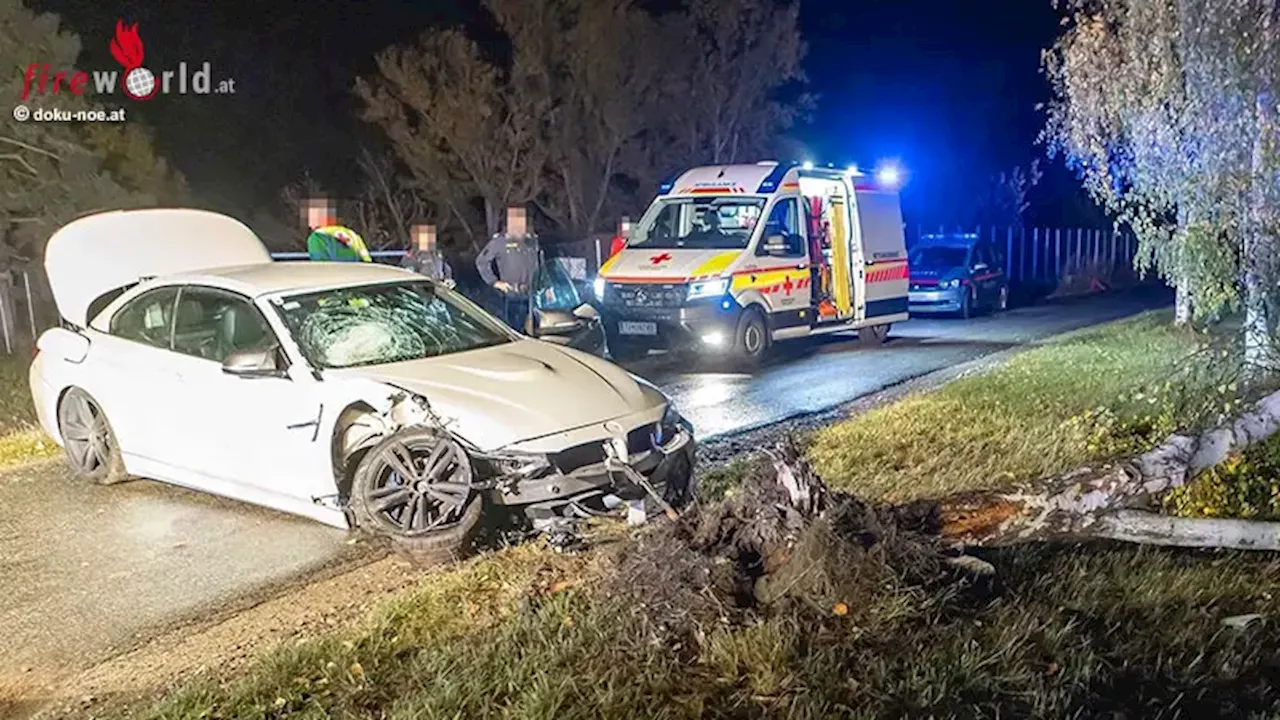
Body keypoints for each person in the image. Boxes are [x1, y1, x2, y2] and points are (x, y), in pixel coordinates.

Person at [476, 206, 540, 331]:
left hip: (533, 296)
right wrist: (495, 282)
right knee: (515, 332)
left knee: (535, 334)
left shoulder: (531, 240)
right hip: (512, 296)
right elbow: (481, 261)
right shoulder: (500, 242)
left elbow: (538, 263)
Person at [303, 195, 371, 262]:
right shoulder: (352, 234)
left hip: (334, 272)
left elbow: (319, 264)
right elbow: (367, 261)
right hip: (356, 272)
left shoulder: (317, 236)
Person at [401, 223, 455, 288]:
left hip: (439, 287)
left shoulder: (438, 253)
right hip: (422, 288)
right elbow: (408, 274)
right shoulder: (411, 256)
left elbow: (446, 269)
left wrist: (448, 279)